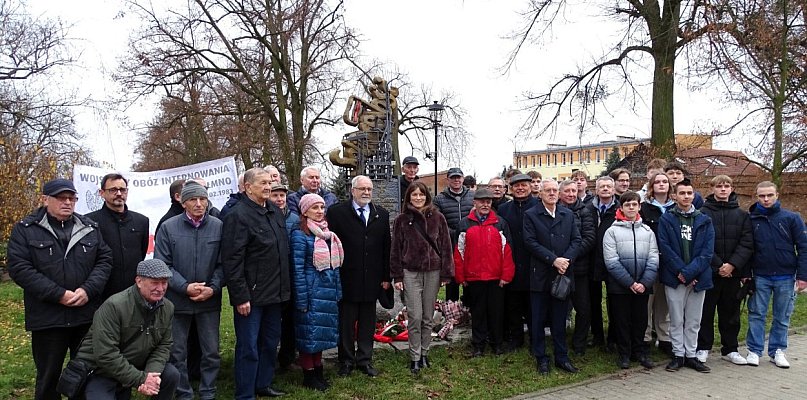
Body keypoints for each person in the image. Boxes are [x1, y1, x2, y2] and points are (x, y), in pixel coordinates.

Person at [7, 178, 113, 400]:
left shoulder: (89, 228)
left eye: (72, 198)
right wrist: (59, 295)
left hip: (85, 316)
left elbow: (104, 260)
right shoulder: (25, 230)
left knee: (85, 372)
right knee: (48, 376)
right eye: (61, 198)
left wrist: (88, 290)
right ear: (45, 199)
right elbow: (20, 268)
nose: (67, 202)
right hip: (48, 317)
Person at [220, 167, 292, 399]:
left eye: (270, 182)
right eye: (263, 183)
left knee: (269, 342)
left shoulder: (274, 211)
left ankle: (263, 383)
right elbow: (232, 260)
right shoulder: (238, 215)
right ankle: (245, 393)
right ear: (248, 187)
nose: (268, 187)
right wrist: (240, 296)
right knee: (248, 346)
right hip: (251, 297)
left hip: (275, 294)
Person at [153, 181, 224, 400]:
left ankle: (208, 392)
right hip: (177, 301)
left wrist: (213, 288)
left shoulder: (218, 226)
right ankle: (183, 393)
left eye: (203, 199)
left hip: (208, 301)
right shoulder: (168, 227)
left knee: (211, 351)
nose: (199, 204)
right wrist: (185, 287)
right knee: (177, 352)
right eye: (193, 199)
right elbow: (163, 264)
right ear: (183, 203)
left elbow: (225, 263)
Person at [76, 259, 179, 399]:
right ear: (139, 281)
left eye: (164, 283)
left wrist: (151, 374)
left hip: (137, 365)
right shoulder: (114, 306)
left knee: (171, 374)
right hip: (103, 371)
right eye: (155, 283)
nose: (161, 289)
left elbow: (164, 345)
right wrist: (140, 379)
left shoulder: (168, 307)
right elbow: (105, 354)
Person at [327, 176, 391, 377]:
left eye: (369, 189)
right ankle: (346, 360)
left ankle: (365, 359)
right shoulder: (337, 213)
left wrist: (386, 277)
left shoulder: (381, 214)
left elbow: (386, 247)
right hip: (347, 276)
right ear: (352, 190)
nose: (366, 192)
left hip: (372, 278)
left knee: (367, 322)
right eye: (362, 188)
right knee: (346, 322)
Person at [391, 182, 454, 374]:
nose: (418, 198)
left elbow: (446, 246)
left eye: (421, 195)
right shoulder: (402, 220)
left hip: (433, 271)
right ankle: (414, 356)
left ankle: (424, 353)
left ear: (427, 197)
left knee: (427, 317)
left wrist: (446, 272)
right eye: (414, 195)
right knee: (415, 316)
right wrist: (397, 276)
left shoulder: (438, 217)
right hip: (410, 272)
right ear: (408, 197)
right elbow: (395, 249)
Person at [745, 181, 807, 368]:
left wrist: (803, 276)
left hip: (786, 276)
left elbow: (803, 247)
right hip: (760, 275)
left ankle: (777, 350)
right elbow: (746, 248)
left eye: (769, 195)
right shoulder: (751, 220)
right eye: (762, 196)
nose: (766, 199)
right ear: (757, 197)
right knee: (757, 314)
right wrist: (746, 274)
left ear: (777, 195)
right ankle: (754, 350)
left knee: (782, 316)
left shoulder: (791, 218)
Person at [523, 178, 582, 375]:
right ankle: (541, 357)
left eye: (554, 190)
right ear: (540, 193)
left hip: (562, 274)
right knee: (538, 319)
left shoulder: (568, 214)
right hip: (540, 275)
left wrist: (566, 261)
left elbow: (576, 240)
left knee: (559, 318)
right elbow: (530, 242)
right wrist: (553, 260)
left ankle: (561, 357)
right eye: (547, 190)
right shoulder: (531, 214)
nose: (551, 193)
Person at [695, 175, 754, 366]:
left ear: (731, 188)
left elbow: (747, 243)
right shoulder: (702, 213)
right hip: (709, 272)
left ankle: (730, 349)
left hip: (733, 273)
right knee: (706, 312)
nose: (723, 189)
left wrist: (732, 265)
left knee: (730, 313)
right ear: (712, 188)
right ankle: (703, 347)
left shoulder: (742, 215)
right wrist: (718, 265)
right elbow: (701, 242)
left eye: (726, 186)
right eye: (719, 186)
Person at [658, 179, 714, 373]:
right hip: (676, 277)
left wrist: (691, 273)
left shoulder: (704, 219)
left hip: (698, 278)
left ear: (694, 195)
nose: (686, 196)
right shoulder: (667, 219)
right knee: (676, 319)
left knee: (693, 320)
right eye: (682, 193)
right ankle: (678, 355)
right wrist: (682, 272)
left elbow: (707, 252)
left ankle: (691, 355)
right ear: (674, 196)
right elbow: (665, 248)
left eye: (689, 193)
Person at [291, 194, 343, 391]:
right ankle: (309, 374)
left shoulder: (327, 234)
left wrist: (337, 290)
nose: (320, 211)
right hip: (311, 291)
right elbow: (297, 270)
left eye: (322, 207)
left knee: (320, 333)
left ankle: (318, 370)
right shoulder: (300, 235)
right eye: (315, 208)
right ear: (305, 211)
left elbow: (334, 265)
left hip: (327, 291)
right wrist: (301, 298)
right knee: (308, 334)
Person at [454, 188, 515, 356]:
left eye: (488, 202)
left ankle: (497, 344)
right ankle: (478, 345)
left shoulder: (500, 223)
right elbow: (458, 252)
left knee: (496, 312)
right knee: (478, 312)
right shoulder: (464, 224)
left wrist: (506, 275)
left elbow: (507, 250)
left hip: (496, 278)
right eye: (482, 201)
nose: (485, 205)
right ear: (475, 203)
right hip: (474, 278)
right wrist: (461, 276)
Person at [602, 191, 658, 370]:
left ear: (639, 207)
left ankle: (639, 351)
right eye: (627, 205)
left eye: (634, 204)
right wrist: (630, 283)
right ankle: (624, 353)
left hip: (643, 285)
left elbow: (653, 258)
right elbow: (611, 261)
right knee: (622, 320)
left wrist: (644, 283)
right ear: (621, 208)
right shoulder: (612, 231)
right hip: (620, 286)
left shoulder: (647, 231)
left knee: (640, 320)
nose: (631, 207)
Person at [87, 173, 149, 300]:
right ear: (102, 193)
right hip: (102, 293)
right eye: (113, 190)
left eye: (122, 190)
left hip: (133, 293)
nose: (119, 193)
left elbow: (142, 252)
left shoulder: (141, 221)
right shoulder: (90, 222)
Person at [497, 174, 540, 352]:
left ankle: (535, 338)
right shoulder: (503, 209)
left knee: (533, 305)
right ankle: (516, 338)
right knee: (513, 304)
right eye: (516, 186)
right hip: (512, 261)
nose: (520, 188)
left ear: (530, 187)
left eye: (523, 185)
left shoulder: (539, 205)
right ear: (510, 189)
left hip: (533, 261)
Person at [558, 180, 596, 356]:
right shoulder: (553, 210)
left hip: (579, 269)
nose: (571, 194)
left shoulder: (585, 211)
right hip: (558, 268)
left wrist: (569, 257)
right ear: (560, 193)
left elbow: (589, 238)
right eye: (567, 191)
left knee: (583, 308)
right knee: (559, 307)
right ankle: (559, 339)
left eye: (574, 191)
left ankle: (579, 343)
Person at [639, 172, 675, 356]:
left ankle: (664, 338)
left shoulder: (675, 208)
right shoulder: (644, 208)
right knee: (647, 301)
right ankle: (645, 337)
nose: (662, 184)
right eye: (657, 182)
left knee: (664, 303)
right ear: (651, 186)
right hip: (649, 261)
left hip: (670, 262)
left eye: (665, 182)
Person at [268, 182, 301, 373]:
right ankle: (269, 359)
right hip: (272, 278)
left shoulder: (294, 219)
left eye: (282, 196)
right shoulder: (265, 217)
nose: (279, 199)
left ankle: (287, 358)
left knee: (290, 321)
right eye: (275, 196)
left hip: (290, 275)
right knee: (271, 323)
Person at [585, 176, 620, 350]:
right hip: (592, 260)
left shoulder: (620, 208)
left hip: (613, 260)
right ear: (596, 190)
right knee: (593, 300)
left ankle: (613, 337)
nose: (605, 189)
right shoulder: (588, 208)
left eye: (608, 186)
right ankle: (597, 335)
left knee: (614, 300)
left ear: (613, 189)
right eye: (602, 186)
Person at [433, 167, 474, 302]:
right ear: (448, 180)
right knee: (452, 278)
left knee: (470, 277)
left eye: (458, 177)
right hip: (449, 242)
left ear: (463, 178)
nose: (456, 180)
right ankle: (452, 307)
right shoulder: (439, 199)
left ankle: (469, 306)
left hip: (470, 242)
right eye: (453, 177)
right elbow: (438, 222)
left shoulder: (472, 196)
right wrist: (454, 233)